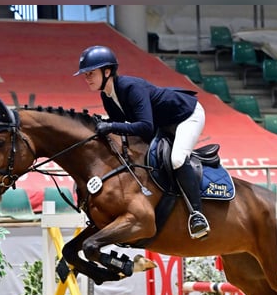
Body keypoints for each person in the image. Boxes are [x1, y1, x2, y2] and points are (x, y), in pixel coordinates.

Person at [74, 45, 210, 239]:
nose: (86, 77)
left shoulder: (131, 87)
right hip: (162, 124)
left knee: (177, 159)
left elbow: (144, 126)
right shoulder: (107, 96)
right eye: (85, 74)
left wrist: (111, 126)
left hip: (187, 115)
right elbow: (123, 129)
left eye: (90, 73)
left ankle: (197, 215)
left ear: (107, 71)